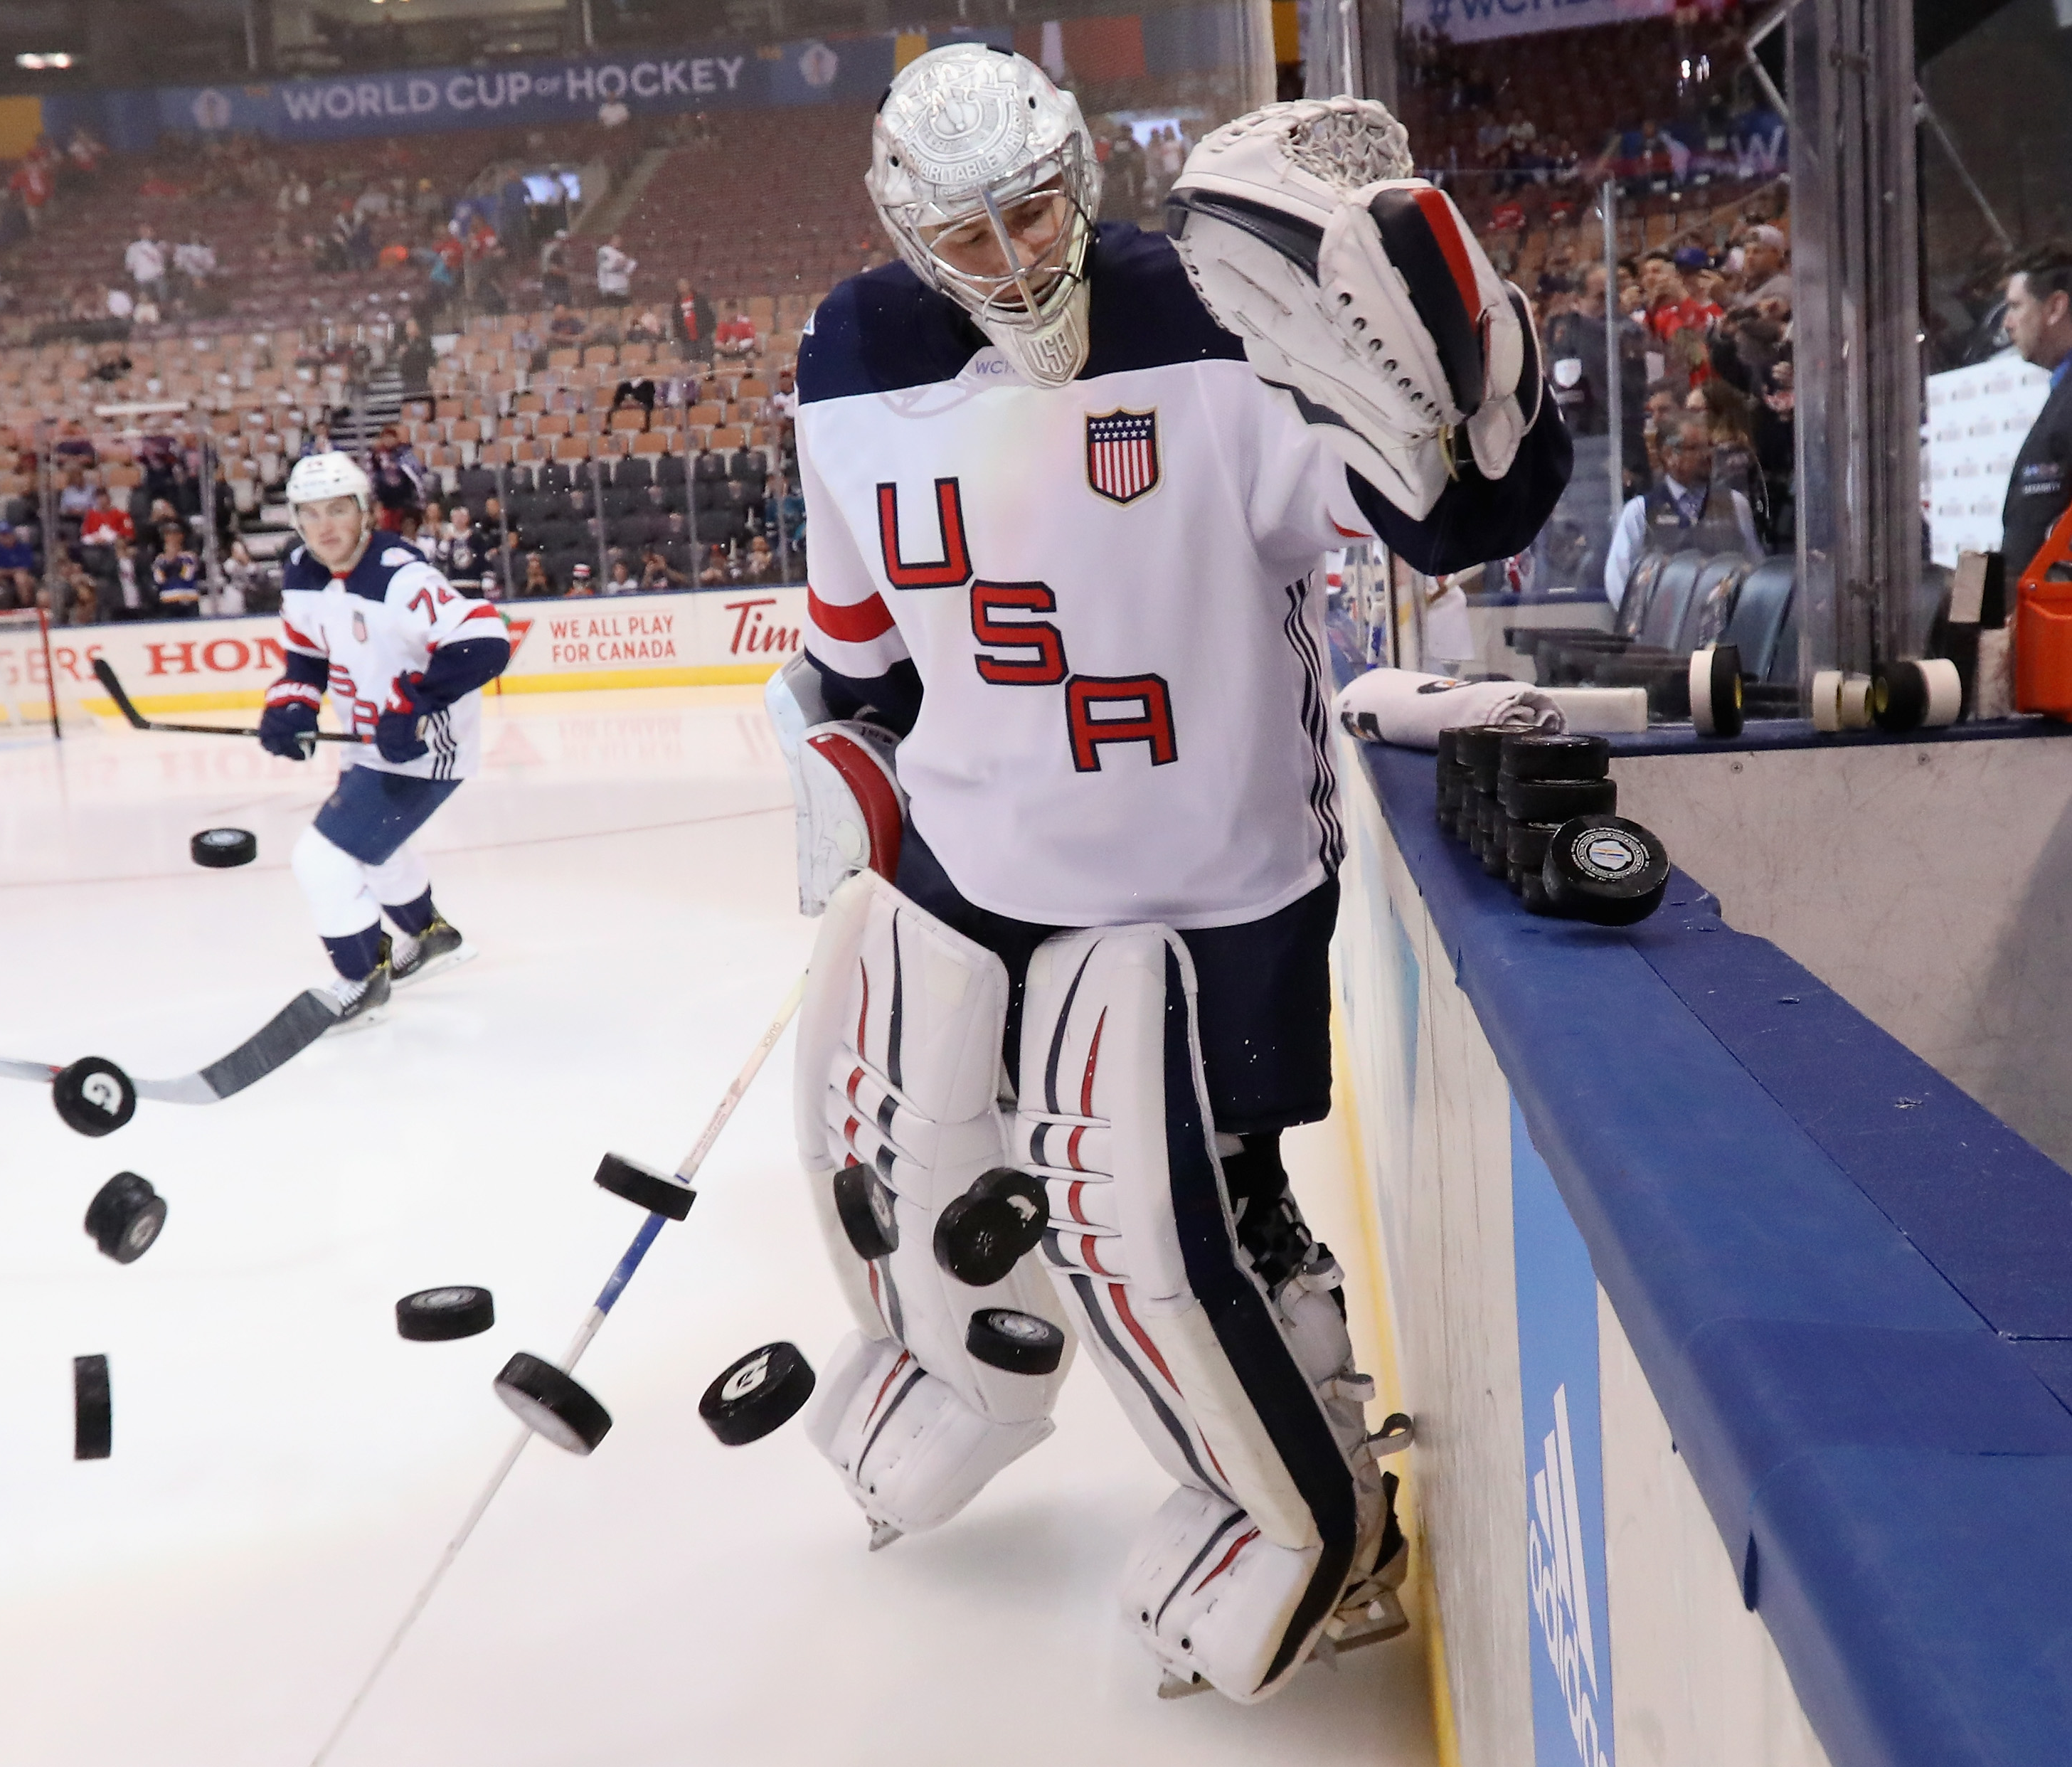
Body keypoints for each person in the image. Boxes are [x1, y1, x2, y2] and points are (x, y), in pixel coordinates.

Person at [772, 55, 1565, 1705]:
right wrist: (835, 753)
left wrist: (1480, 418)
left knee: (1195, 1210)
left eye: (1031, 214)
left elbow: (1435, 509)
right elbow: (860, 652)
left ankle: (1335, 1508)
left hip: (1214, 871)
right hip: (977, 858)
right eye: (966, 237)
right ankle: (958, 1370)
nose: (1007, 262)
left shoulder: (1208, 319)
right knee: (918, 1150)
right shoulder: (850, 356)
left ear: (1080, 175)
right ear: (905, 228)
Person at [257, 452, 512, 1027]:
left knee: (323, 859)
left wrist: (418, 701)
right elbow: (306, 657)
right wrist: (292, 705)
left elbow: (487, 640)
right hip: (367, 742)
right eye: (311, 513)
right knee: (378, 849)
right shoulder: (302, 571)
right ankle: (429, 934)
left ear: (365, 513)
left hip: (420, 748)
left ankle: (360, 979)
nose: (325, 527)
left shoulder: (400, 575)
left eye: (338, 510)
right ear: (296, 520)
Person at [1602, 412, 1762, 606]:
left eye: (1710, 446)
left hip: (1724, 627)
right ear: (1669, 455)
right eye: (1694, 448)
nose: (1707, 455)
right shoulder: (1639, 512)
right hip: (1660, 627)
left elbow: (1754, 569)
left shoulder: (1736, 504)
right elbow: (1618, 581)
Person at [1999, 240, 2072, 587]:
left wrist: (1975, 615)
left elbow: (2029, 544)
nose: (2007, 323)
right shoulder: (2061, 394)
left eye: (2015, 307)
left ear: (2055, 307)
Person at [150, 521, 204, 617]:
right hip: (168, 601)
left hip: (189, 601)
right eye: (168, 535)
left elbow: (187, 576)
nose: (171, 538)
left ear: (181, 536)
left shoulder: (189, 557)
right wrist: (168, 561)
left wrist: (174, 560)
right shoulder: (160, 559)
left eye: (174, 534)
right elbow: (159, 579)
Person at [674, 277, 715, 364]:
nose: (682, 287)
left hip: (703, 337)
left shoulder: (699, 299)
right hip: (687, 340)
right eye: (680, 286)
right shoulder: (677, 304)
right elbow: (676, 321)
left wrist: (707, 331)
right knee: (691, 363)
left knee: (707, 360)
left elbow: (709, 315)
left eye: (684, 285)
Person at [595, 233, 636, 302]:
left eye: (620, 240)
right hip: (610, 289)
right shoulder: (604, 251)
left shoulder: (621, 255)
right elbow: (606, 266)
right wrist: (618, 264)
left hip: (622, 288)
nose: (619, 242)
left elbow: (628, 271)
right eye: (616, 240)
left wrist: (628, 263)